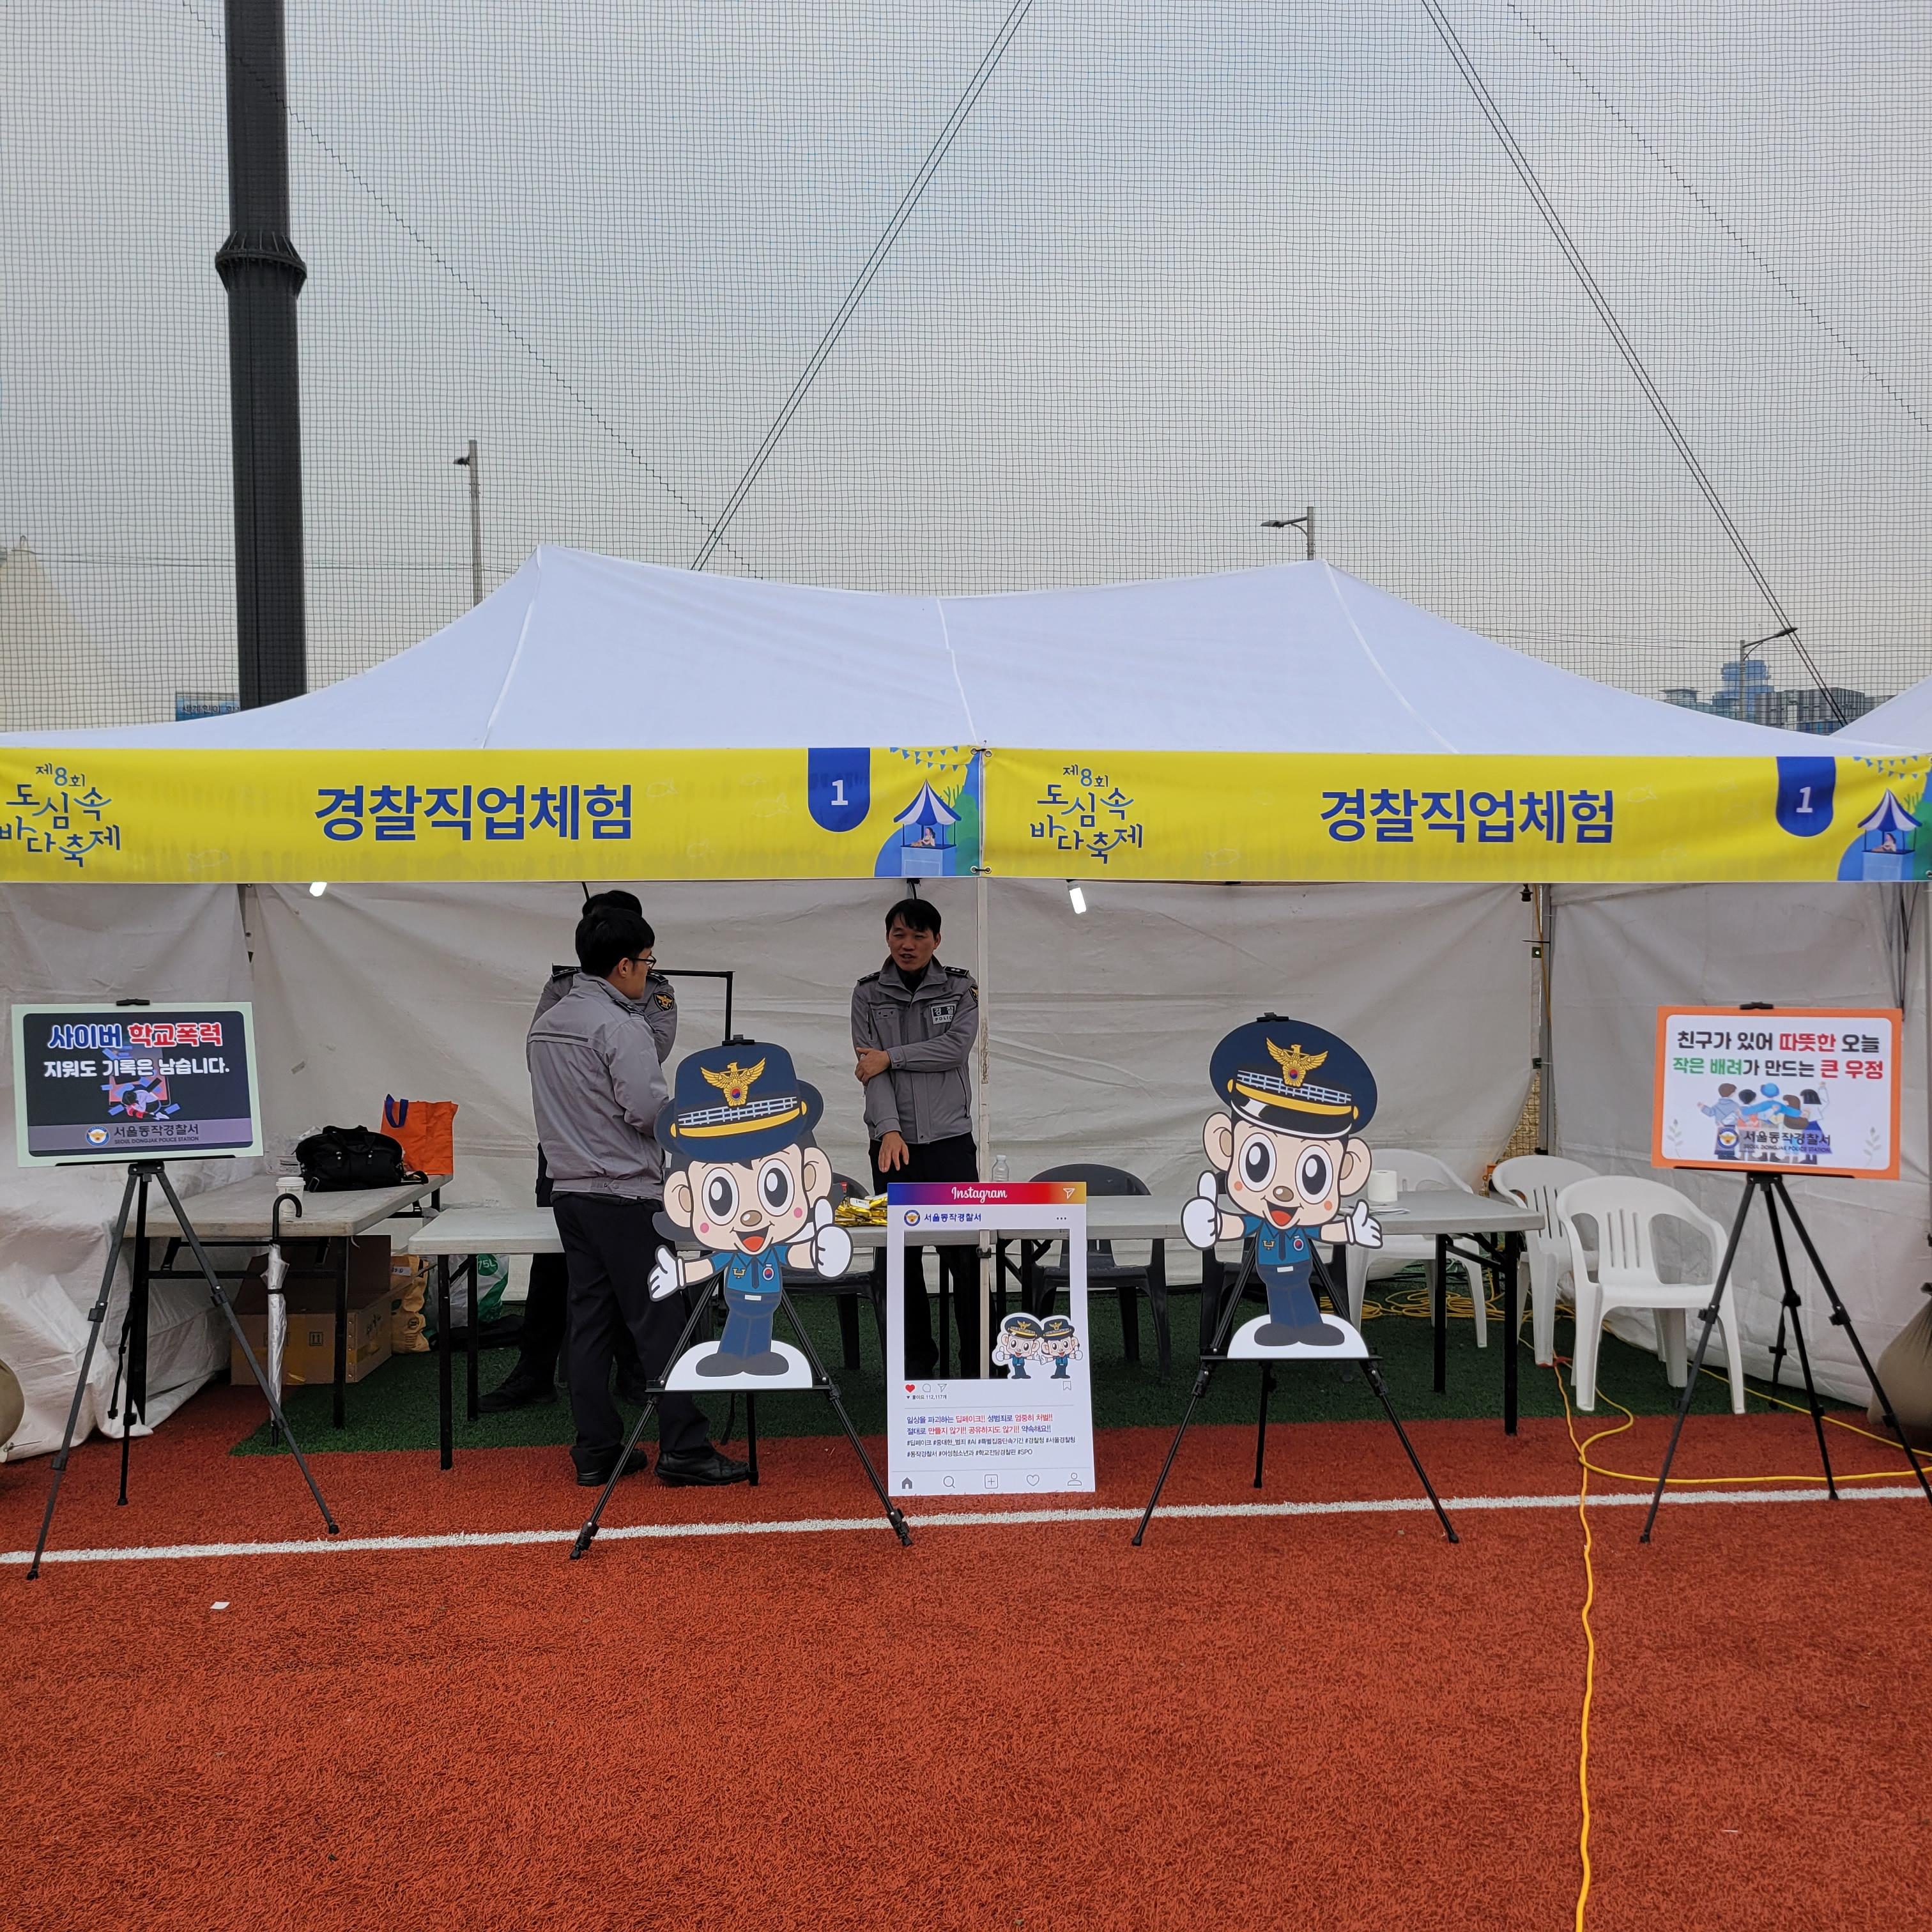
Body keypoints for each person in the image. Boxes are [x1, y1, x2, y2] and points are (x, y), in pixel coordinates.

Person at [526, 903, 748, 1487]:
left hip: (568, 1189)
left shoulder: (546, 1022)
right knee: (660, 1321)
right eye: (648, 962)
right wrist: (702, 1116)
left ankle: (596, 1449)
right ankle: (684, 1447)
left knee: (590, 1323)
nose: (651, 973)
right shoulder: (622, 1026)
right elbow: (648, 1112)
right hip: (625, 1192)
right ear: (624, 965)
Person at [481, 889, 678, 1412]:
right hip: (600, 1164)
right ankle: (538, 1371)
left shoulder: (649, 992)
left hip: (589, 1158)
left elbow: (650, 1049)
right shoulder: (589, 1002)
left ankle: (618, 1403)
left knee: (606, 1300)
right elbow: (641, 1098)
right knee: (581, 1277)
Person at [851, 897, 980, 1377]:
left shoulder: (961, 987)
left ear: (937, 940)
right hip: (893, 1146)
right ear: (887, 937)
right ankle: (915, 1368)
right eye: (899, 934)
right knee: (901, 1261)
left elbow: (955, 1049)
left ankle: (978, 1365)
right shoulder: (867, 993)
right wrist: (888, 1129)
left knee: (966, 1258)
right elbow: (869, 1070)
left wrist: (893, 1056)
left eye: (919, 936)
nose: (908, 945)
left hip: (950, 1143)